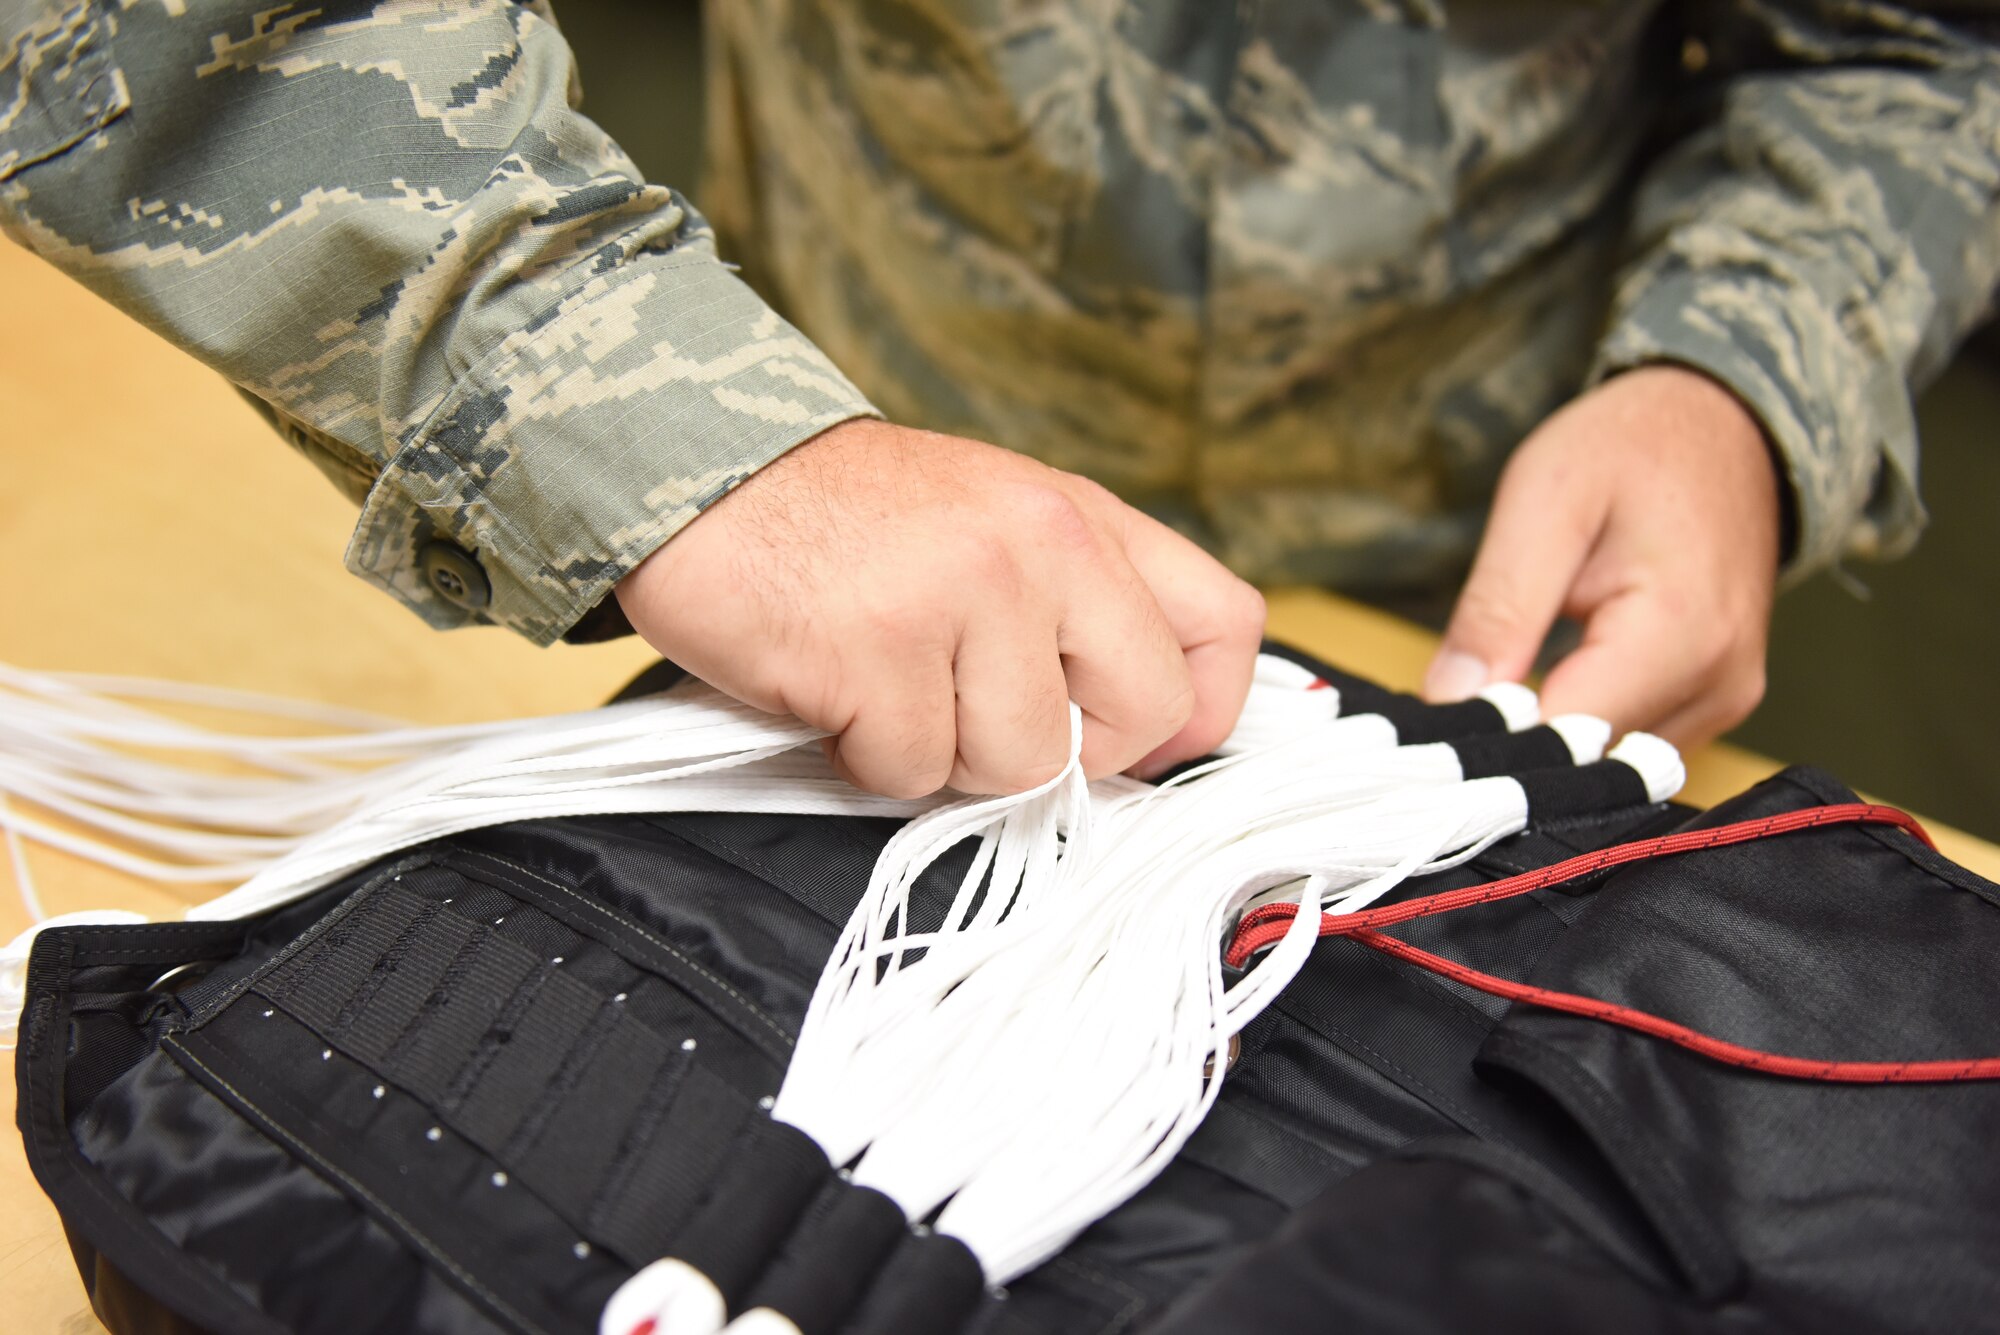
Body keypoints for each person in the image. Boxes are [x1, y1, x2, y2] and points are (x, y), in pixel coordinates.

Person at [3, 1, 1994, 800]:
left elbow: (1919, 39)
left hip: (1513, 503)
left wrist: (1748, 367)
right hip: (835, 439)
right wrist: (639, 402)